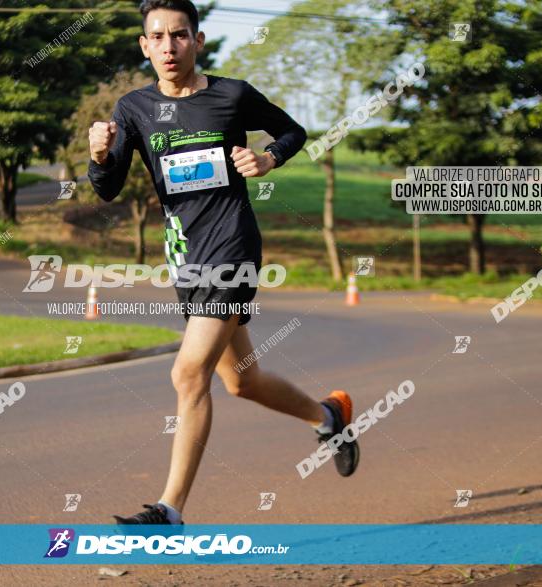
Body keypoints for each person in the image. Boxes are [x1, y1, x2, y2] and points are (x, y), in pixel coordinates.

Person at [87, 0, 359, 526]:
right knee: (242, 382)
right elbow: (108, 189)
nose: (169, 47)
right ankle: (328, 417)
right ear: (144, 46)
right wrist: (99, 155)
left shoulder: (230, 94)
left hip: (232, 246)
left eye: (180, 35)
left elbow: (292, 131)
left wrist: (267, 158)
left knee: (188, 374)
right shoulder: (133, 109)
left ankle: (169, 511)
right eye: (158, 37)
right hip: (185, 255)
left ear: (198, 40)